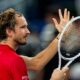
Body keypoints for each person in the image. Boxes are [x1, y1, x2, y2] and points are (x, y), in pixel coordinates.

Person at [0, 8, 70, 80]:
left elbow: (36, 63)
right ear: (9, 31)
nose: (28, 31)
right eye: (23, 27)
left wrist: (61, 35)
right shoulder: (14, 60)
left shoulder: (9, 58)